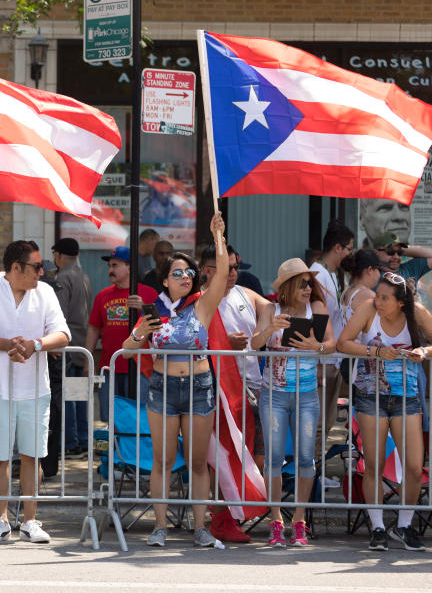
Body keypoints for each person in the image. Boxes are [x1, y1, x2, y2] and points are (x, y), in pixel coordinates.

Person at [122, 212, 227, 548]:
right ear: (164, 280)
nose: (184, 276)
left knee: (197, 462)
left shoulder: (201, 307)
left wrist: (219, 236)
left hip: (198, 388)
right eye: (177, 273)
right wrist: (141, 333)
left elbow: (222, 273)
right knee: (163, 461)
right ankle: (160, 526)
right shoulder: (153, 311)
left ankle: (200, 527)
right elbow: (126, 351)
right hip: (162, 389)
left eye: (189, 272)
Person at [0, 240, 69, 544]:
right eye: (37, 267)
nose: (42, 272)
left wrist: (35, 345)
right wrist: (7, 344)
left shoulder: (45, 292)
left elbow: (62, 333)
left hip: (36, 388)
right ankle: (0, 520)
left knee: (31, 455)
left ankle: (31, 520)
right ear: (16, 268)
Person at [337, 272, 430, 551]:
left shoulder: (417, 313)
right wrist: (375, 352)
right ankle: (377, 527)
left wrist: (424, 351)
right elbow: (343, 343)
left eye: (385, 298)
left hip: (407, 396)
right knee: (374, 464)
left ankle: (403, 525)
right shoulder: (368, 309)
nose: (377, 301)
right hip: (370, 395)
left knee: (414, 466)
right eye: (377, 295)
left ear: (402, 303)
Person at [251, 258, 336, 548]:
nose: (309, 288)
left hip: (307, 395)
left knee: (304, 458)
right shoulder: (270, 309)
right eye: (303, 283)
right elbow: (253, 344)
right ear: (288, 287)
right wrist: (268, 329)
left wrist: (318, 347)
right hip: (273, 395)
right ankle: (276, 520)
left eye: (310, 283)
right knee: (273, 458)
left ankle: (299, 520)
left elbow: (333, 344)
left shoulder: (318, 309)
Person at [199, 243, 271, 543]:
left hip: (251, 389)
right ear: (208, 271)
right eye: (227, 267)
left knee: (254, 456)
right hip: (218, 391)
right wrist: (224, 342)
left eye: (235, 266)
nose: (233, 273)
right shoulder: (202, 301)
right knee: (221, 457)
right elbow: (195, 339)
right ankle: (221, 519)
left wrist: (258, 336)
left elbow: (270, 306)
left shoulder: (245, 293)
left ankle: (240, 513)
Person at [85, 246, 157, 422]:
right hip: (109, 366)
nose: (110, 270)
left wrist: (144, 308)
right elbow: (94, 328)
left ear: (129, 267)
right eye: (110, 266)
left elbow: (160, 326)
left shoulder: (149, 293)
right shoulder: (102, 295)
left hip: (141, 367)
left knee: (139, 417)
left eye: (115, 265)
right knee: (109, 417)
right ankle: (112, 450)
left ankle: (135, 450)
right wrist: (89, 360)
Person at [309, 221, 355, 467]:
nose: (350, 254)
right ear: (338, 248)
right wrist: (319, 357)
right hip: (322, 361)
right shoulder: (317, 273)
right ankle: (312, 475)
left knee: (327, 423)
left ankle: (316, 471)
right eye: (348, 248)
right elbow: (317, 319)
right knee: (318, 423)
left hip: (331, 359)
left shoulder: (331, 275)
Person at [49, 237, 92, 459]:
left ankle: (72, 443)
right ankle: (83, 440)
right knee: (79, 394)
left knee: (68, 395)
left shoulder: (63, 277)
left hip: (68, 344)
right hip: (82, 342)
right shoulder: (83, 276)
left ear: (58, 256)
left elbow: (60, 315)